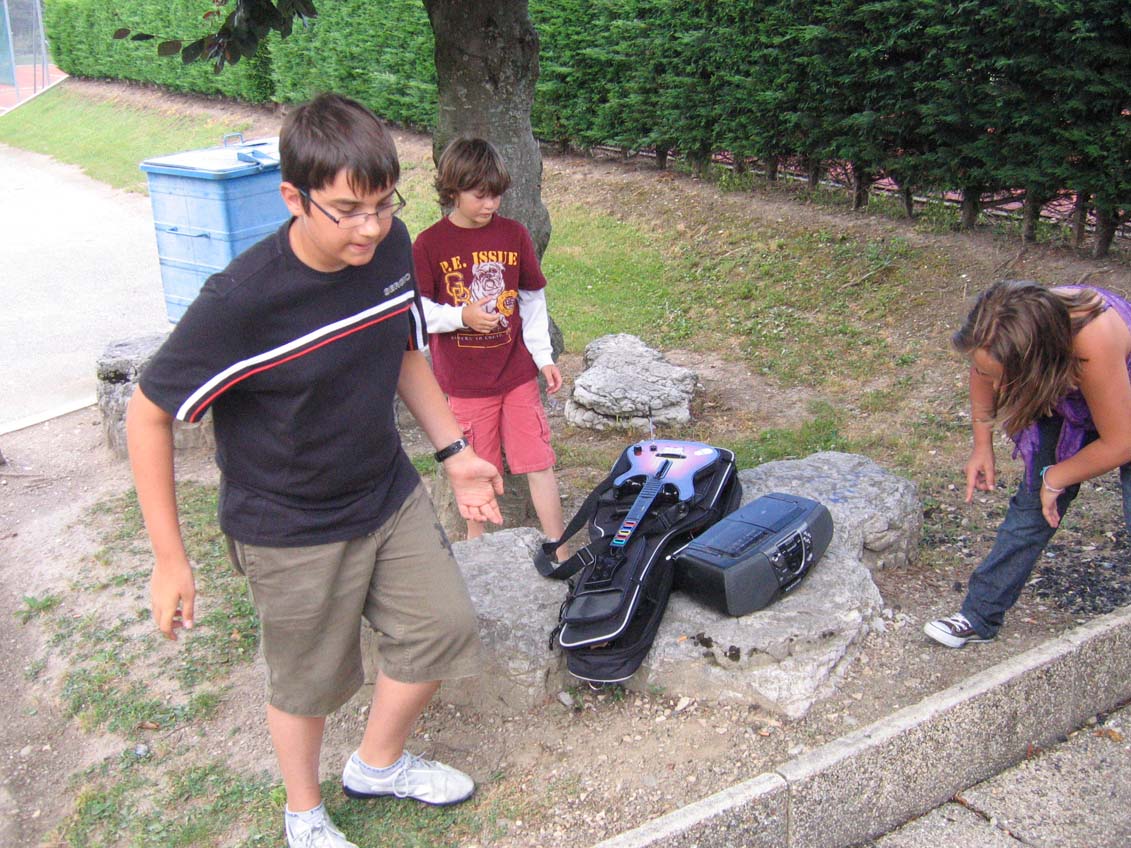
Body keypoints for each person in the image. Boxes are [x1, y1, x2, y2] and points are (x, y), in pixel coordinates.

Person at [125, 94, 505, 848]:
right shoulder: (241, 301)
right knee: (308, 684)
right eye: (347, 211)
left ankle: (377, 765)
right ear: (293, 198)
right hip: (289, 524)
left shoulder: (390, 247)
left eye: (383, 204)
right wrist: (170, 557)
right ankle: (303, 813)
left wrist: (455, 454)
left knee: (441, 627)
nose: (371, 228)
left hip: (385, 491)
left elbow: (404, 350)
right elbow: (148, 413)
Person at [924, 280, 1131, 649]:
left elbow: (1122, 443)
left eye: (1001, 377)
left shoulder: (1093, 339)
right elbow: (982, 370)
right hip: (1063, 382)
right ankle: (979, 615)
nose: (994, 385)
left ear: (1030, 365)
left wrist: (1058, 475)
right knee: (1032, 503)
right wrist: (982, 445)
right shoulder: (1001, 331)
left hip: (1121, 396)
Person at [412, 137, 567, 560]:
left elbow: (531, 299)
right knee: (476, 473)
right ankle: (477, 558)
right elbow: (418, 312)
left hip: (517, 375)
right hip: (465, 385)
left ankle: (561, 551)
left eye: (496, 195)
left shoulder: (514, 234)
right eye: (480, 195)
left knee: (538, 461)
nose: (491, 204)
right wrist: (462, 316)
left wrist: (543, 357)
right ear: (453, 190)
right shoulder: (429, 245)